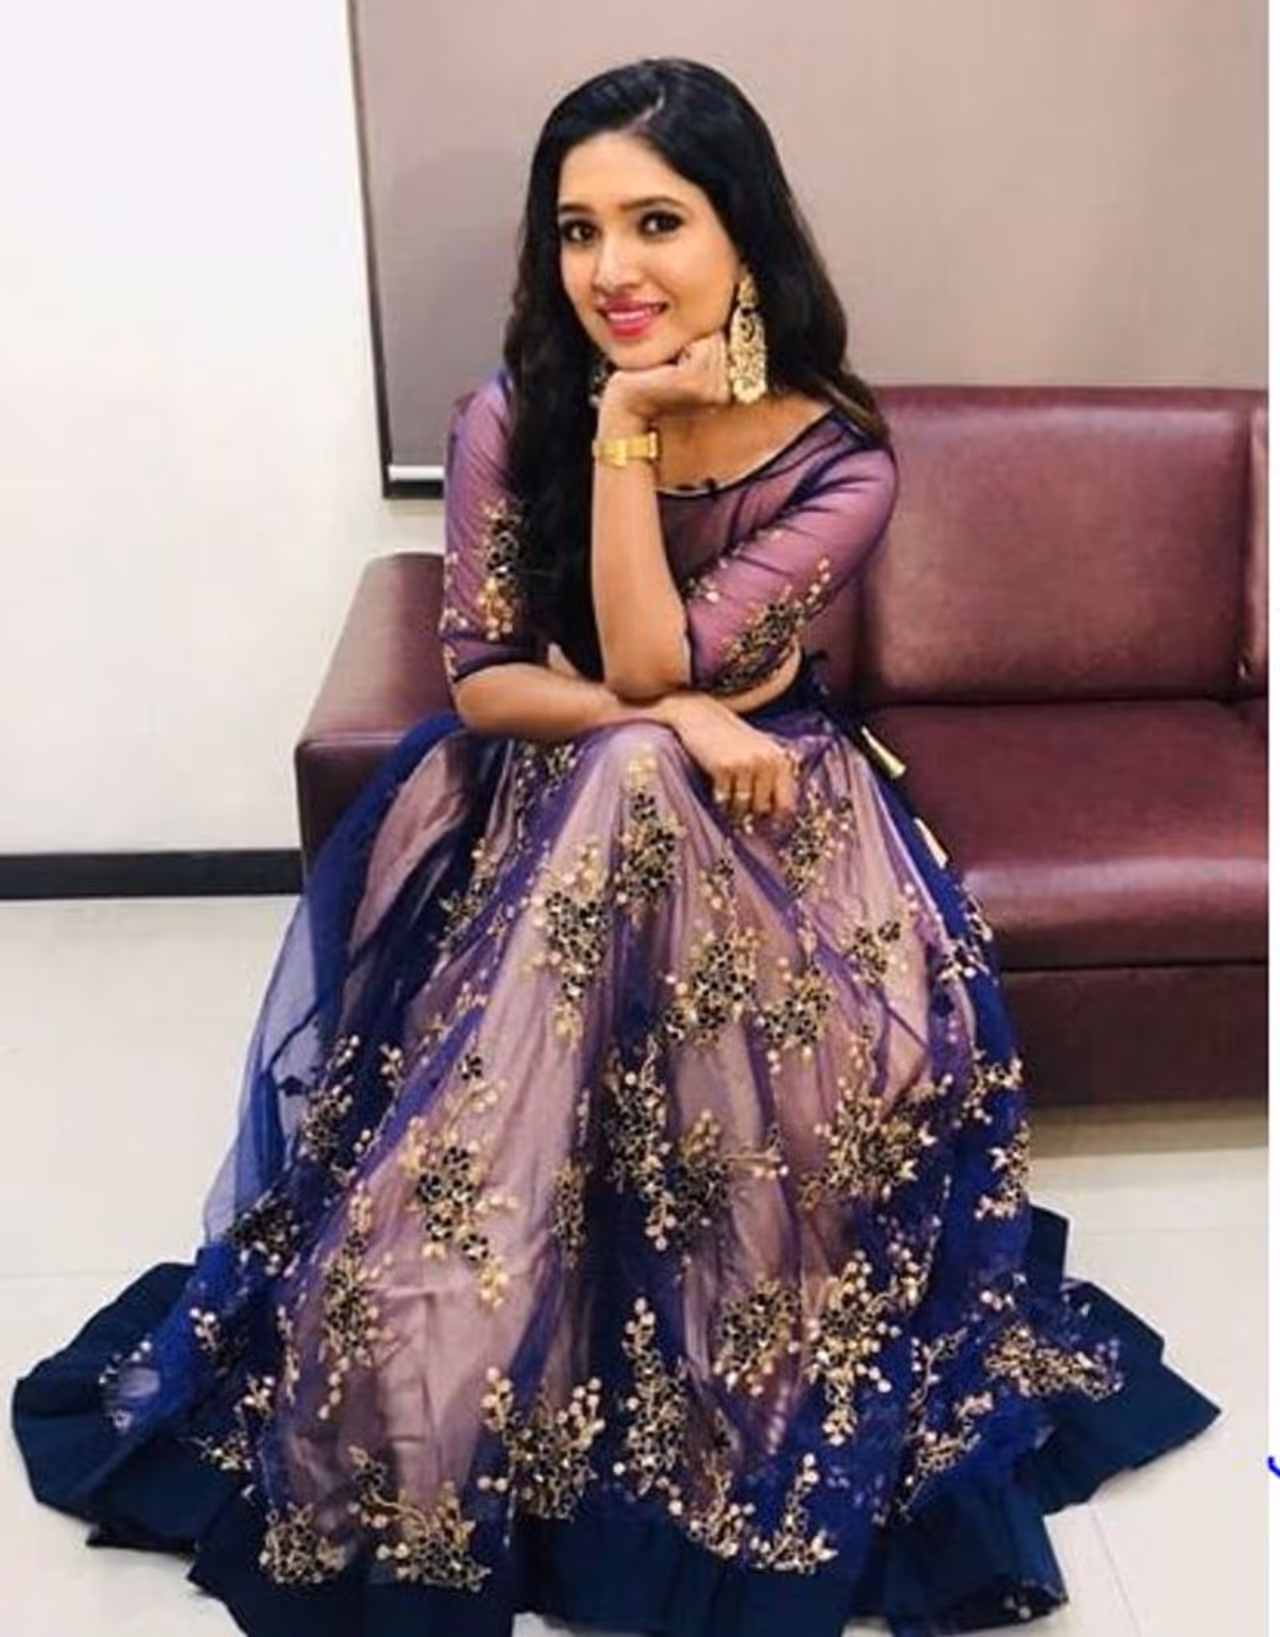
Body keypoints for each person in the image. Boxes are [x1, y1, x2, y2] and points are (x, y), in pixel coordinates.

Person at [12, 56, 1218, 1637]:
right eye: (577, 230)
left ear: (743, 235)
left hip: (777, 814)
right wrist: (673, 700)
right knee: (637, 760)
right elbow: (485, 681)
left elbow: (658, 663)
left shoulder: (843, 458)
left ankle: (567, 1299)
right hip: (553, 798)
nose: (611, 269)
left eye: (657, 221)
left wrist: (637, 437)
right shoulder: (507, 414)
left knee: (651, 761)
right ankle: (446, 1324)